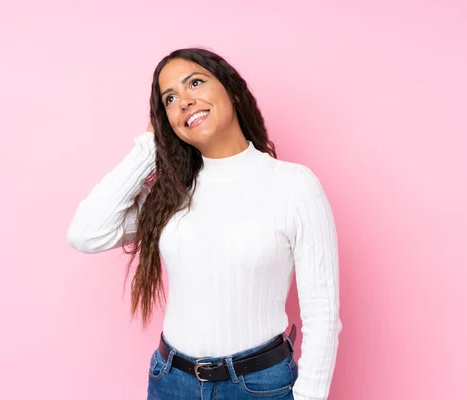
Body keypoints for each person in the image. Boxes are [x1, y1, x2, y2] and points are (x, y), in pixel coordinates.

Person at [66, 47, 342, 400]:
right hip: (171, 382)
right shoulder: (171, 195)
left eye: (195, 82)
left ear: (233, 90)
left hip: (258, 386)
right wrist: (150, 143)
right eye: (169, 99)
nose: (184, 101)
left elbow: (322, 314)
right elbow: (86, 232)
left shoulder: (294, 186)